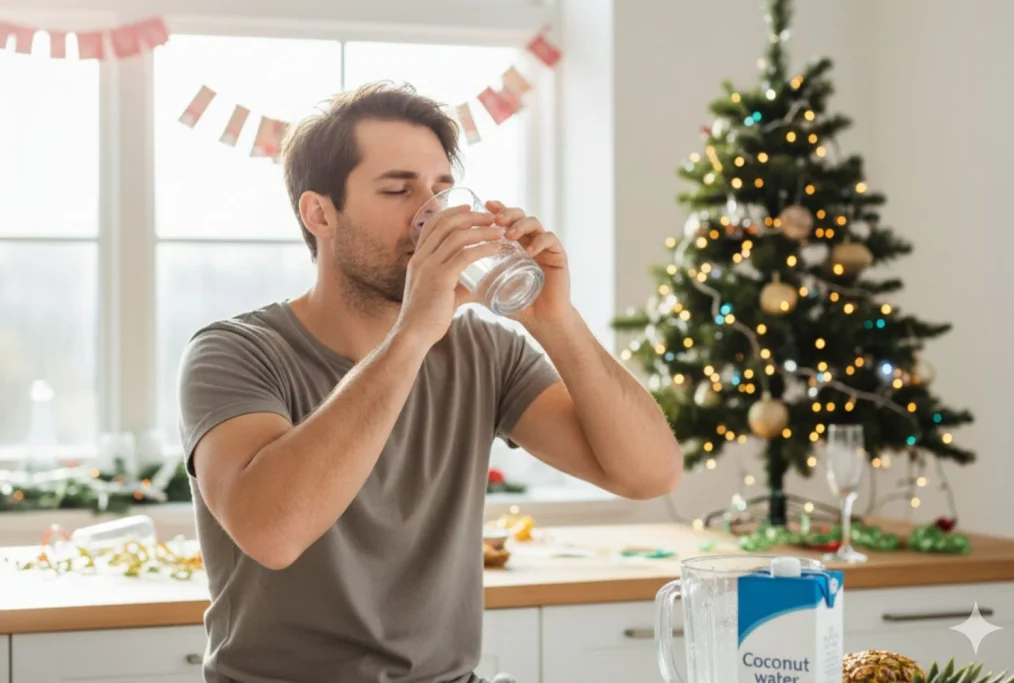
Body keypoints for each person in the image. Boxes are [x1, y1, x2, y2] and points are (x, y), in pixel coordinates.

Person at [177, 82, 683, 683]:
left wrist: (557, 321)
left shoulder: (483, 349)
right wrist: (412, 332)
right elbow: (275, 533)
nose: (431, 214)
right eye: (398, 189)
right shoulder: (234, 353)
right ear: (320, 214)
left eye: (440, 190)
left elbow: (649, 473)